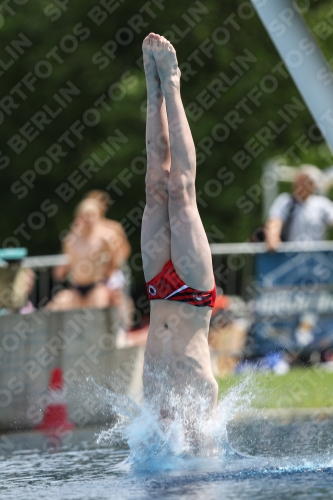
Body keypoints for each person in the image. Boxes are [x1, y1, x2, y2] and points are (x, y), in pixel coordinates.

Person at [141, 33, 218, 425]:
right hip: (190, 292)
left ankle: (158, 85)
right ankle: (168, 85)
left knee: (160, 188)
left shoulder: (190, 417)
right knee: (179, 189)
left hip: (161, 287)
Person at [48, 198, 111, 310]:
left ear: (98, 216)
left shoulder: (104, 239)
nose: (88, 218)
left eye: (92, 214)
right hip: (76, 287)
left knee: (97, 319)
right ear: (78, 216)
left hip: (95, 286)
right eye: (85, 215)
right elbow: (63, 267)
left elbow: (114, 262)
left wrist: (110, 280)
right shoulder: (71, 240)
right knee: (57, 309)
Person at [265, 165, 333, 251]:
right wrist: (273, 238)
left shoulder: (322, 204)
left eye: (306, 182)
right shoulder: (285, 201)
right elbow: (275, 221)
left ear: (314, 185)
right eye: (299, 181)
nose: (301, 185)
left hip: (316, 258)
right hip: (290, 257)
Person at [83, 190, 131, 307]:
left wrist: (111, 268)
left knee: (117, 296)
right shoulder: (82, 230)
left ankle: (121, 323)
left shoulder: (113, 227)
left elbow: (124, 250)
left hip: (110, 272)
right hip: (89, 274)